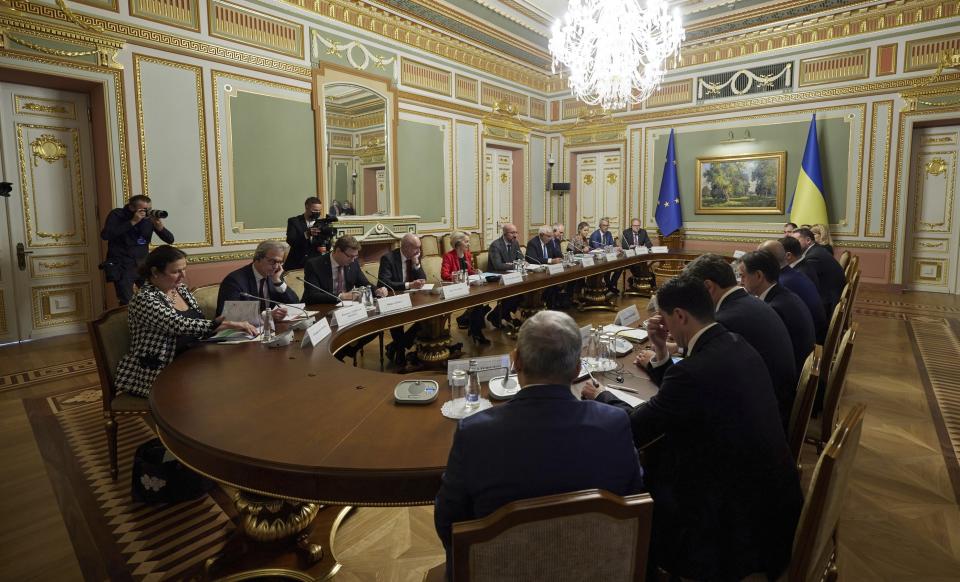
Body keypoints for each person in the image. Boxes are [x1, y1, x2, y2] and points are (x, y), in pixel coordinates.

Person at [582, 275, 802, 581]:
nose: (666, 329)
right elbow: (689, 391)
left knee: (642, 474)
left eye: (666, 321)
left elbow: (636, 429)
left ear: (681, 315)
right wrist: (661, 350)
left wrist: (602, 396)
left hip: (734, 520)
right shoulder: (733, 343)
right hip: (772, 501)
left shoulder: (694, 372)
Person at [435, 310, 644, 576]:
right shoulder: (614, 423)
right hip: (593, 570)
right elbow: (633, 496)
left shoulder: (474, 433)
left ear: (516, 361)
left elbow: (448, 523)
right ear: (578, 367)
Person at [114, 245, 257, 398]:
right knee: (214, 390)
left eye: (184, 269)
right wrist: (225, 323)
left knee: (235, 374)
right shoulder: (145, 298)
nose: (183, 275)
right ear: (155, 272)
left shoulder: (180, 289)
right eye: (176, 271)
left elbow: (198, 323)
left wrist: (225, 327)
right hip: (159, 369)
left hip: (193, 358)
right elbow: (177, 324)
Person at [684, 254, 797, 429]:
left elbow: (697, 379)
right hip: (777, 400)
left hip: (760, 420)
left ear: (708, 287)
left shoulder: (726, 319)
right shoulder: (750, 302)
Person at [303, 235, 386, 361]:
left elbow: (364, 283)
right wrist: (341, 296)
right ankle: (334, 357)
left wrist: (377, 290)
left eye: (355, 256)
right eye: (350, 256)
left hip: (344, 311)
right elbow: (311, 295)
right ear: (337, 251)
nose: (353, 260)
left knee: (374, 324)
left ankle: (340, 354)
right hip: (322, 312)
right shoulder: (314, 264)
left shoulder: (353, 264)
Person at [739, 250, 816, 379]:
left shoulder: (775, 308)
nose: (740, 282)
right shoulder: (783, 294)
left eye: (743, 276)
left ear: (759, 276)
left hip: (793, 378)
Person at [100, 194, 175, 305]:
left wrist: (160, 227)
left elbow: (170, 240)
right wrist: (133, 222)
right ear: (131, 207)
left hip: (142, 264)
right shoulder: (117, 214)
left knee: (154, 299)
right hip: (122, 265)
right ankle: (129, 321)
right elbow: (106, 235)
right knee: (127, 302)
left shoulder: (149, 219)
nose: (147, 212)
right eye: (144, 209)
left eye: (149, 209)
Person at [760, 240, 827, 344]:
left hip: (812, 342)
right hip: (815, 333)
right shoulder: (793, 274)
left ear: (765, 261)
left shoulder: (783, 283)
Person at [216, 240, 298, 320]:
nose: (276, 267)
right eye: (272, 261)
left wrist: (277, 282)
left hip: (271, 329)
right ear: (258, 257)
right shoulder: (234, 281)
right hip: (242, 331)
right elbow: (228, 316)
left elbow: (296, 305)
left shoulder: (274, 276)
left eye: (280, 262)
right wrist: (266, 315)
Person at [378, 233, 428, 364]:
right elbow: (384, 283)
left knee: (428, 316)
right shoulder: (388, 258)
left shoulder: (415, 256)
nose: (419, 251)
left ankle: (395, 346)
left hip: (413, 298)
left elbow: (423, 279)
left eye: (420, 247)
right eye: (416, 248)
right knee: (397, 319)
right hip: (394, 298)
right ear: (405, 247)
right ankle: (400, 351)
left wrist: (416, 264)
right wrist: (408, 285)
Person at [441, 231, 490, 345]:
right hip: (455, 289)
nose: (469, 244)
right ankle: (474, 329)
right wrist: (457, 276)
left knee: (479, 300)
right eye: (466, 242)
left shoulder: (467, 254)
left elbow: (469, 271)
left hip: (468, 288)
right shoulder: (448, 256)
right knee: (477, 303)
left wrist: (475, 272)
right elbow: (444, 275)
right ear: (458, 243)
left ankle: (475, 330)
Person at [791, 227, 846, 318]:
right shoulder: (816, 250)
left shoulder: (813, 257)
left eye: (795, 241)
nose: (793, 244)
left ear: (808, 240)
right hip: (830, 294)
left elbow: (803, 282)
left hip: (828, 302)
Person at [486, 223, 523, 329]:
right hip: (497, 277)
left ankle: (500, 315)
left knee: (521, 292)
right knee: (513, 293)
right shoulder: (496, 245)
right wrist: (515, 265)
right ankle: (498, 315)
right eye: (512, 233)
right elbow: (498, 265)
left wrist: (521, 263)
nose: (515, 235)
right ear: (505, 233)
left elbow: (521, 258)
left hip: (511, 276)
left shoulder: (515, 243)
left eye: (516, 232)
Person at [284, 197, 326, 270]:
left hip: (315, 264)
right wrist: (307, 234)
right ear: (307, 207)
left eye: (319, 210)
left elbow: (327, 244)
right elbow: (290, 240)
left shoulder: (322, 223)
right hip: (296, 263)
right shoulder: (294, 221)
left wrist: (325, 246)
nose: (317, 213)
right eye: (315, 210)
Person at [589, 218, 621, 294]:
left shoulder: (609, 234)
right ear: (600, 226)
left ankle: (610, 286)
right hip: (596, 260)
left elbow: (611, 245)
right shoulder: (595, 235)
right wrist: (608, 248)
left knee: (619, 268)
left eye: (607, 225)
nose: (606, 227)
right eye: (604, 225)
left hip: (607, 259)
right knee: (606, 270)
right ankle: (609, 287)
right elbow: (597, 248)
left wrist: (614, 248)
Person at [621, 218, 654, 290]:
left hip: (641, 256)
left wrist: (643, 246)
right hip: (631, 257)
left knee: (643, 264)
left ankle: (640, 281)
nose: (637, 227)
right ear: (631, 226)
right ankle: (642, 281)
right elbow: (624, 246)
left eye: (638, 225)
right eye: (635, 225)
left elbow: (649, 244)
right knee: (639, 266)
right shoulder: (626, 232)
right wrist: (634, 247)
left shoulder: (643, 232)